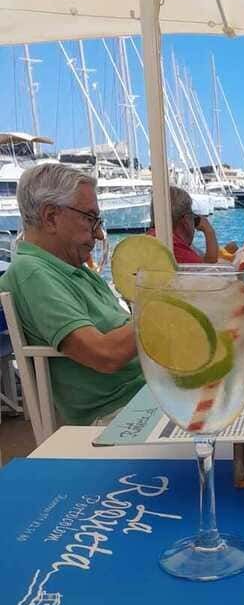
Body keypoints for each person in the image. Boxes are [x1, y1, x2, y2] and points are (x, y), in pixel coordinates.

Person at [0, 162, 144, 425]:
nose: (99, 234)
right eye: (90, 219)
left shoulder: (75, 269)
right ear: (51, 217)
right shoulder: (32, 273)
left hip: (147, 395)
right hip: (120, 414)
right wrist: (164, 305)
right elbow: (105, 355)